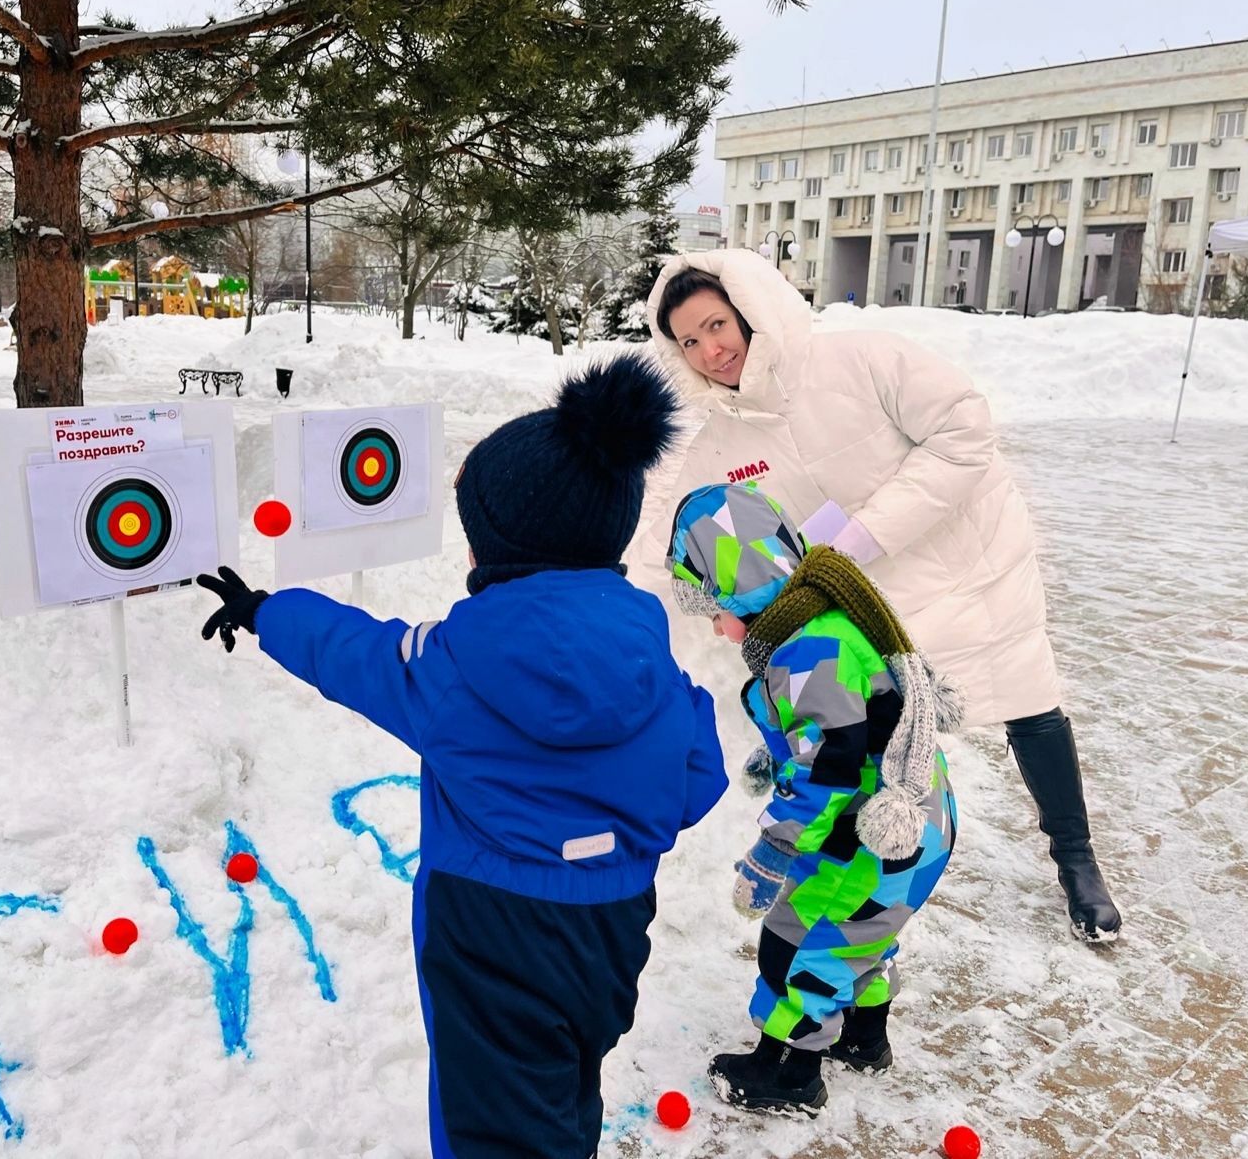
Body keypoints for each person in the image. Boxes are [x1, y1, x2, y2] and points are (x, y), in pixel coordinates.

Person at [198, 354, 728, 1159]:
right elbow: (700, 778)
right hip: (614, 926)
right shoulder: (654, 660)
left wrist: (268, 610)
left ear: (496, 549)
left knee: (492, 1126)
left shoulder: (451, 667)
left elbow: (355, 652)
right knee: (562, 1080)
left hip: (490, 928)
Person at [626, 248, 1120, 944]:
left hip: (969, 565)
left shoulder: (860, 359)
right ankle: (873, 908)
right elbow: (676, 537)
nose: (711, 348)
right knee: (878, 744)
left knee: (1029, 704)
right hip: (869, 611)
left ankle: (1076, 857)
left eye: (717, 324)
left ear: (750, 310)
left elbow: (964, 431)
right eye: (689, 340)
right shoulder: (719, 444)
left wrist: (859, 538)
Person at [666, 482, 957, 1115]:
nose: (716, 628)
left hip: (873, 834)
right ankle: (863, 1037)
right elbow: (836, 729)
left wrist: (771, 854)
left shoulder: (806, 650)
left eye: (714, 607)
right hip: (917, 821)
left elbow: (827, 770)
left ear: (742, 585)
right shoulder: (820, 622)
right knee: (858, 936)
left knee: (798, 938)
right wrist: (779, 753)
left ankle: (791, 1073)